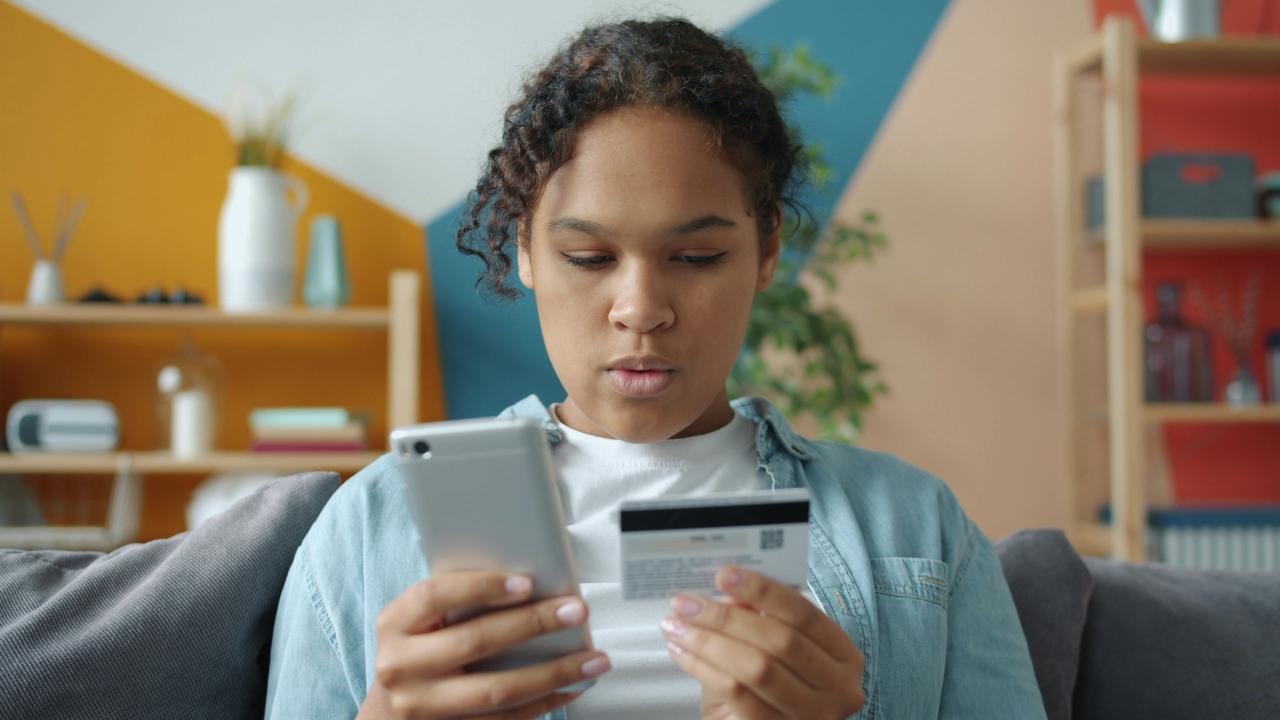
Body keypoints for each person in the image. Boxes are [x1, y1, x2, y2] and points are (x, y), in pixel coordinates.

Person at [265, 17, 1046, 720]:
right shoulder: (368, 530)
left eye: (697, 256)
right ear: (524, 251)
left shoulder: (917, 527)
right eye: (588, 256)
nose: (641, 307)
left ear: (767, 249)